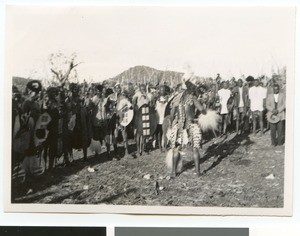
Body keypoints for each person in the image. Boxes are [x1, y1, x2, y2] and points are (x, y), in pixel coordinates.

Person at [168, 79, 206, 177]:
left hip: (179, 126)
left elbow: (172, 114)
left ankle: (173, 172)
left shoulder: (176, 98)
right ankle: (197, 172)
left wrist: (171, 125)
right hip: (191, 125)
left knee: (177, 149)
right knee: (195, 149)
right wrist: (204, 110)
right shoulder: (192, 98)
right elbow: (202, 109)